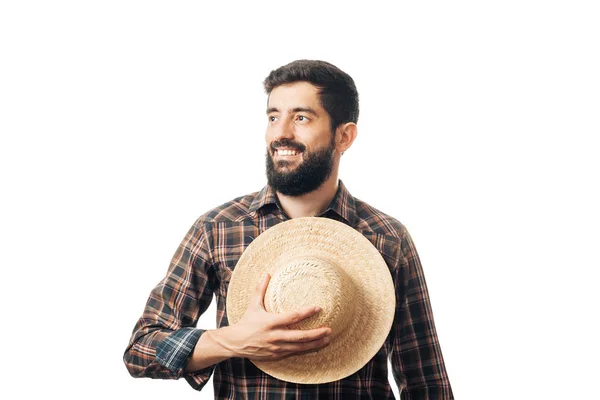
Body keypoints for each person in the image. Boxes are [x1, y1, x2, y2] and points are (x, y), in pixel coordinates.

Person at [124, 59, 454, 399]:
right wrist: (232, 340)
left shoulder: (386, 237)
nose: (281, 132)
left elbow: (425, 380)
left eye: (301, 117)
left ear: (344, 136)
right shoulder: (218, 228)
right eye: (273, 117)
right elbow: (142, 348)